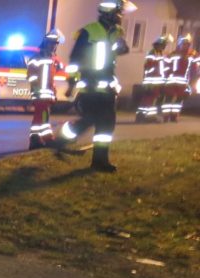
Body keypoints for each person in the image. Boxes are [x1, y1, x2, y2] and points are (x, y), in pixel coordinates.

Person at [57, 0, 137, 172]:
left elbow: (120, 50)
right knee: (91, 119)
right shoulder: (89, 31)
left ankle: (100, 161)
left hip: (107, 87)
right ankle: (62, 139)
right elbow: (75, 59)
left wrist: (122, 48)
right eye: (118, 13)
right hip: (91, 86)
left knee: (106, 126)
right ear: (109, 13)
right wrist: (72, 82)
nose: (120, 16)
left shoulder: (116, 32)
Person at [27, 29, 65, 149]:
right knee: (42, 117)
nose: (53, 46)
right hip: (40, 94)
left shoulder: (53, 59)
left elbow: (58, 70)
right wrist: (36, 89)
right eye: (51, 43)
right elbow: (31, 76)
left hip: (47, 94)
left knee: (41, 117)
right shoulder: (36, 58)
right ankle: (44, 139)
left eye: (55, 44)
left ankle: (37, 139)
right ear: (45, 43)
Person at [136, 34, 171, 122]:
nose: (164, 47)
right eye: (163, 45)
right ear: (158, 44)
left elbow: (161, 67)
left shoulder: (159, 53)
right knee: (148, 99)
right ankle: (143, 116)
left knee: (152, 99)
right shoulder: (152, 53)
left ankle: (148, 116)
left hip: (157, 81)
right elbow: (149, 67)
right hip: (151, 81)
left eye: (164, 45)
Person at [163, 34, 196, 122]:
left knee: (179, 100)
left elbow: (193, 69)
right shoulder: (173, 54)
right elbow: (166, 66)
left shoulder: (191, 55)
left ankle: (174, 116)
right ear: (180, 44)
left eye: (187, 44)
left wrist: (192, 81)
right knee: (169, 99)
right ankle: (166, 117)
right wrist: (165, 77)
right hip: (171, 81)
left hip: (183, 82)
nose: (186, 46)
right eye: (184, 44)